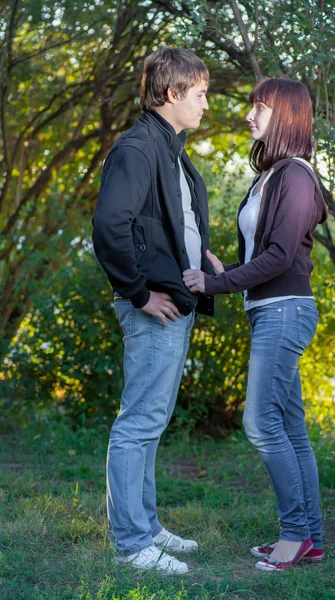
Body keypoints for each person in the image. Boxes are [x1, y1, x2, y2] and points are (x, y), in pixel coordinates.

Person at [183, 78, 328, 573]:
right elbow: (264, 258)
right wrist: (229, 276)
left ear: (285, 115)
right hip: (271, 308)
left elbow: (281, 256)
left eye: (260, 107)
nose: (250, 115)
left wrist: (211, 284)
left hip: (285, 311)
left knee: (260, 424)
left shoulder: (297, 177)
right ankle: (311, 539)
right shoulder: (272, 175)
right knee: (290, 427)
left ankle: (293, 536)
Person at [92, 47, 214, 574]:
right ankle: (132, 542)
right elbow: (109, 226)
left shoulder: (170, 148)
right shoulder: (138, 148)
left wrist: (201, 260)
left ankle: (147, 525)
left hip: (176, 301)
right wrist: (140, 294)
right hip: (154, 306)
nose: (207, 104)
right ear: (172, 93)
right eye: (201, 93)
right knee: (138, 423)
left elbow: (167, 223)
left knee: (151, 420)